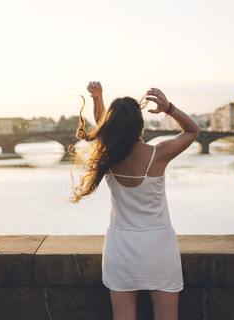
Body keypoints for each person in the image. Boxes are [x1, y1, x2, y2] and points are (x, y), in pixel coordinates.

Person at [70, 81, 200, 320]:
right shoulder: (157, 155)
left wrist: (98, 100)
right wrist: (169, 108)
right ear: (140, 124)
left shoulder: (108, 156)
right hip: (159, 246)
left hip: (121, 247)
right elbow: (192, 131)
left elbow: (103, 127)